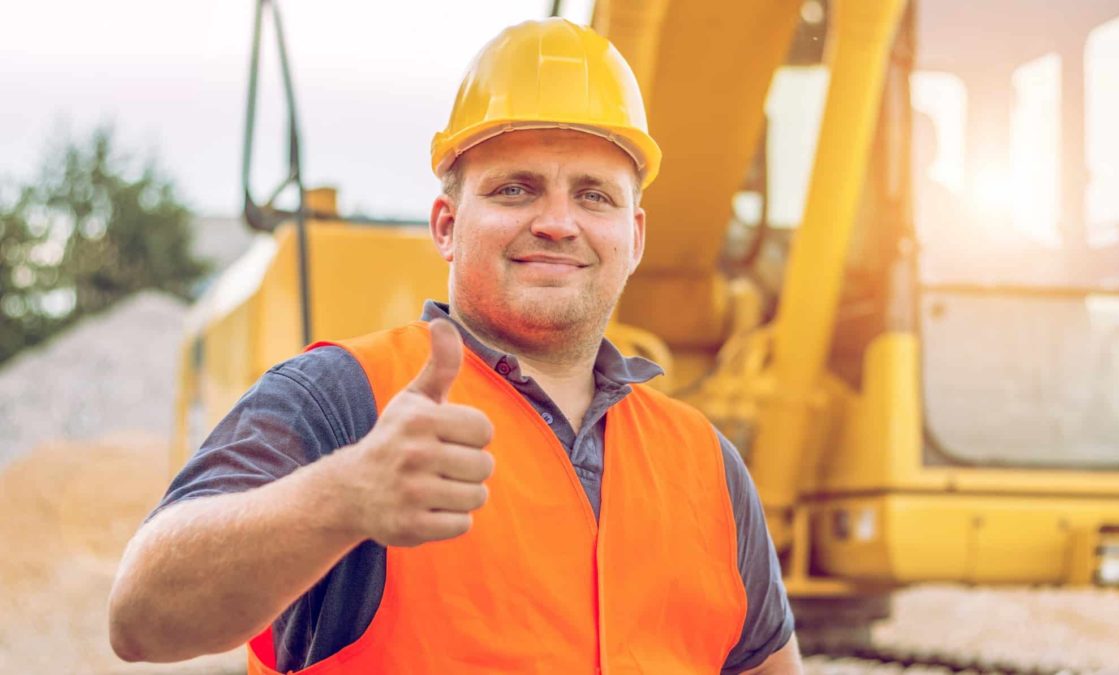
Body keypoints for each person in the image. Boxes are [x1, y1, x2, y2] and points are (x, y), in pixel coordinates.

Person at [108, 17, 801, 674]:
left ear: (636, 236)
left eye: (594, 196)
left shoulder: (706, 464)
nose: (558, 222)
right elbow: (141, 615)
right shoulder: (347, 398)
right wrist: (343, 497)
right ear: (446, 224)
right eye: (516, 189)